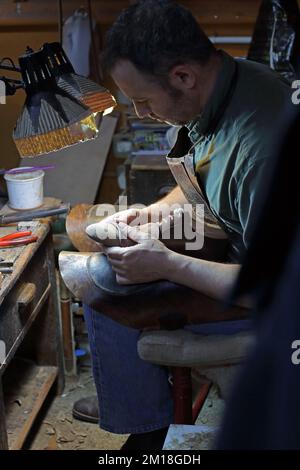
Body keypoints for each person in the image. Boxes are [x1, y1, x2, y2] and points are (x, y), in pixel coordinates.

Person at [72, 0, 291, 449]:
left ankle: (148, 433)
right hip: (238, 243)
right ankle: (136, 402)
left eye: (144, 101)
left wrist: (169, 265)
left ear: (183, 77)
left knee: (104, 285)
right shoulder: (227, 85)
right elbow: (204, 176)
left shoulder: (260, 151)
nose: (143, 114)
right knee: (101, 254)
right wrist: (155, 213)